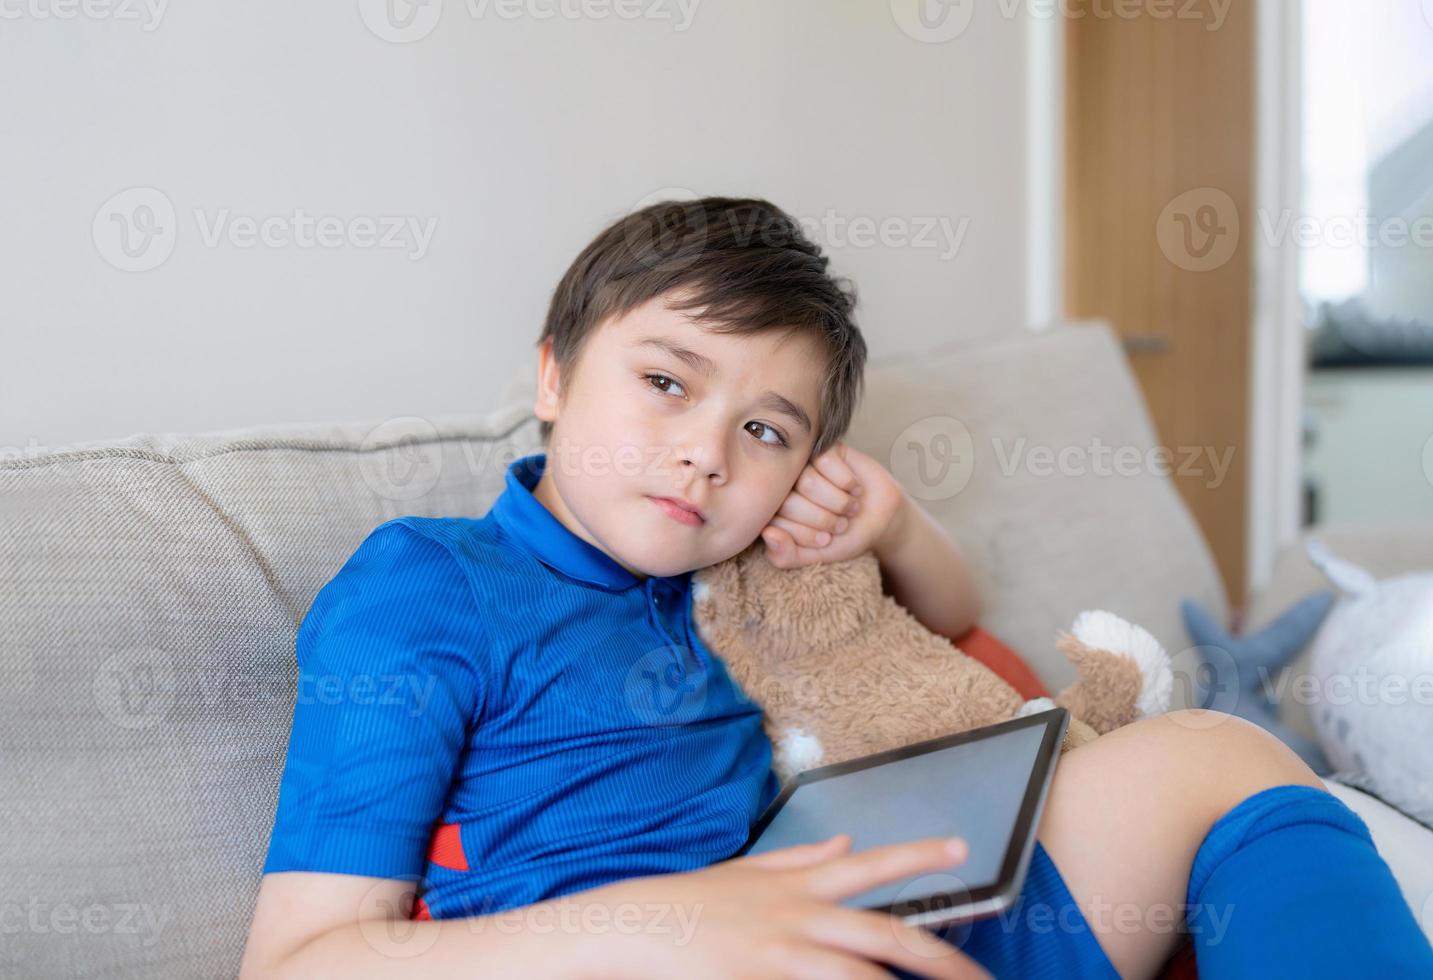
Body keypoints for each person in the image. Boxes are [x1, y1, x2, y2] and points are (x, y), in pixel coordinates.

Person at [240, 197, 1433, 978]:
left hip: (876, 916)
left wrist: (893, 522)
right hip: (640, 953)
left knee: (1214, 752)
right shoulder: (428, 582)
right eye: (665, 381)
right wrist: (678, 928)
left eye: (764, 427)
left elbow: (952, 614)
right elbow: (299, 959)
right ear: (551, 375)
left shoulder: (742, 564)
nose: (707, 450)